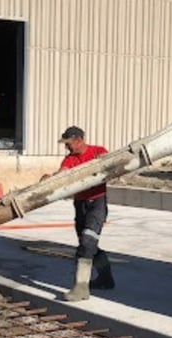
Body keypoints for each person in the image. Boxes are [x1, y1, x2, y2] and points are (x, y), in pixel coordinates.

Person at [42, 126, 113, 301]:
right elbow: (62, 174)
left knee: (88, 241)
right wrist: (49, 179)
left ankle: (81, 288)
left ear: (79, 140)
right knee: (87, 244)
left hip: (97, 202)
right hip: (80, 205)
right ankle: (106, 279)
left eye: (68, 143)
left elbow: (109, 164)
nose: (66, 147)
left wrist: (105, 161)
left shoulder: (98, 151)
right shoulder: (70, 160)